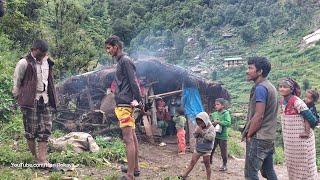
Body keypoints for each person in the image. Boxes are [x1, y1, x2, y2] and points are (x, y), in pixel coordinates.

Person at [12, 39, 57, 167]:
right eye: (41, 53)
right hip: (30, 100)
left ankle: (42, 159)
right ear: (34, 50)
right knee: (30, 129)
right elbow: (17, 82)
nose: (43, 56)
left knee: (46, 128)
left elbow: (49, 80)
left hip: (45, 99)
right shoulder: (24, 63)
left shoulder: (47, 62)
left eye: (44, 54)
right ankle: (34, 158)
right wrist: (18, 98)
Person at [105, 35, 142, 180]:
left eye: (109, 48)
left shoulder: (125, 61)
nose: (108, 51)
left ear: (116, 47)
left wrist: (138, 100)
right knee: (132, 136)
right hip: (125, 103)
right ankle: (136, 168)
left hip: (125, 104)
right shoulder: (121, 61)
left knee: (128, 139)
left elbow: (134, 82)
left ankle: (130, 175)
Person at [242, 57, 278, 180]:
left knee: (250, 174)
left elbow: (259, 116)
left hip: (259, 137)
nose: (247, 71)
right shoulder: (270, 87)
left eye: (250, 68)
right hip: (269, 137)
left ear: (260, 71)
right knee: (268, 171)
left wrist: (249, 135)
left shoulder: (261, 88)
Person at [279, 77, 318, 179]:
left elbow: (312, 120)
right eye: (280, 86)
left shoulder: (297, 102)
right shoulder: (282, 101)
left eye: (285, 87)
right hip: (291, 146)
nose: (282, 89)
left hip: (302, 143)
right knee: (293, 169)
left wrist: (306, 131)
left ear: (291, 89)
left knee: (306, 170)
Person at [180, 112, 215, 180]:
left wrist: (201, 132)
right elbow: (195, 135)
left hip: (206, 150)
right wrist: (196, 132)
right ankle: (184, 176)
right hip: (198, 148)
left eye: (201, 123)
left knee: (207, 165)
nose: (200, 124)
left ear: (206, 121)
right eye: (198, 123)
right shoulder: (199, 126)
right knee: (192, 162)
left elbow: (211, 138)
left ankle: (208, 178)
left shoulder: (211, 128)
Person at [210, 98, 231, 171]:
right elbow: (210, 120)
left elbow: (228, 123)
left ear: (222, 106)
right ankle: (209, 160)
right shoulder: (215, 113)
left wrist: (219, 122)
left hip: (223, 136)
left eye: (218, 104)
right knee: (211, 148)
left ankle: (224, 165)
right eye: (215, 104)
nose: (216, 106)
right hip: (215, 134)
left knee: (223, 151)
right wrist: (212, 122)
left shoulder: (226, 113)